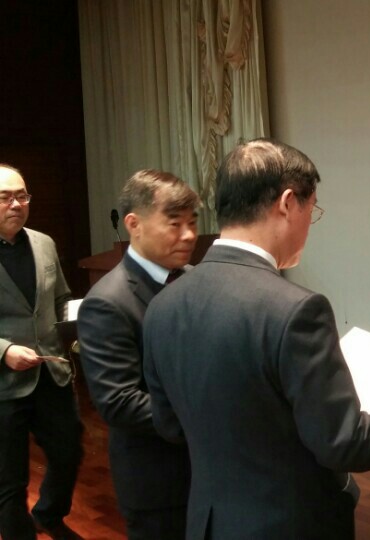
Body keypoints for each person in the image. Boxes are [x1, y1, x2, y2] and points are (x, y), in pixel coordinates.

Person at [141, 139, 370, 539]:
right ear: (288, 203)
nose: (310, 225)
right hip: (288, 523)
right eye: (313, 211)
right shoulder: (296, 309)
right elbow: (343, 443)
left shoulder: (163, 305)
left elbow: (169, 424)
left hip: (210, 522)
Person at [77, 170, 198, 539]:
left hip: (211, 470)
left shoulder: (194, 278)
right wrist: (206, 415)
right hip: (159, 480)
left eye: (193, 222)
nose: (188, 235)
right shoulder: (107, 302)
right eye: (174, 223)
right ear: (134, 224)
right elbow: (118, 402)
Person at [0, 164, 84, 540]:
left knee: (69, 452)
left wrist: (78, 329)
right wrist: (4, 351)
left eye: (22, 196)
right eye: (5, 197)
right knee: (9, 481)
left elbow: (61, 298)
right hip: (4, 384)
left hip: (52, 373)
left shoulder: (44, 243)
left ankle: (48, 514)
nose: (16, 204)